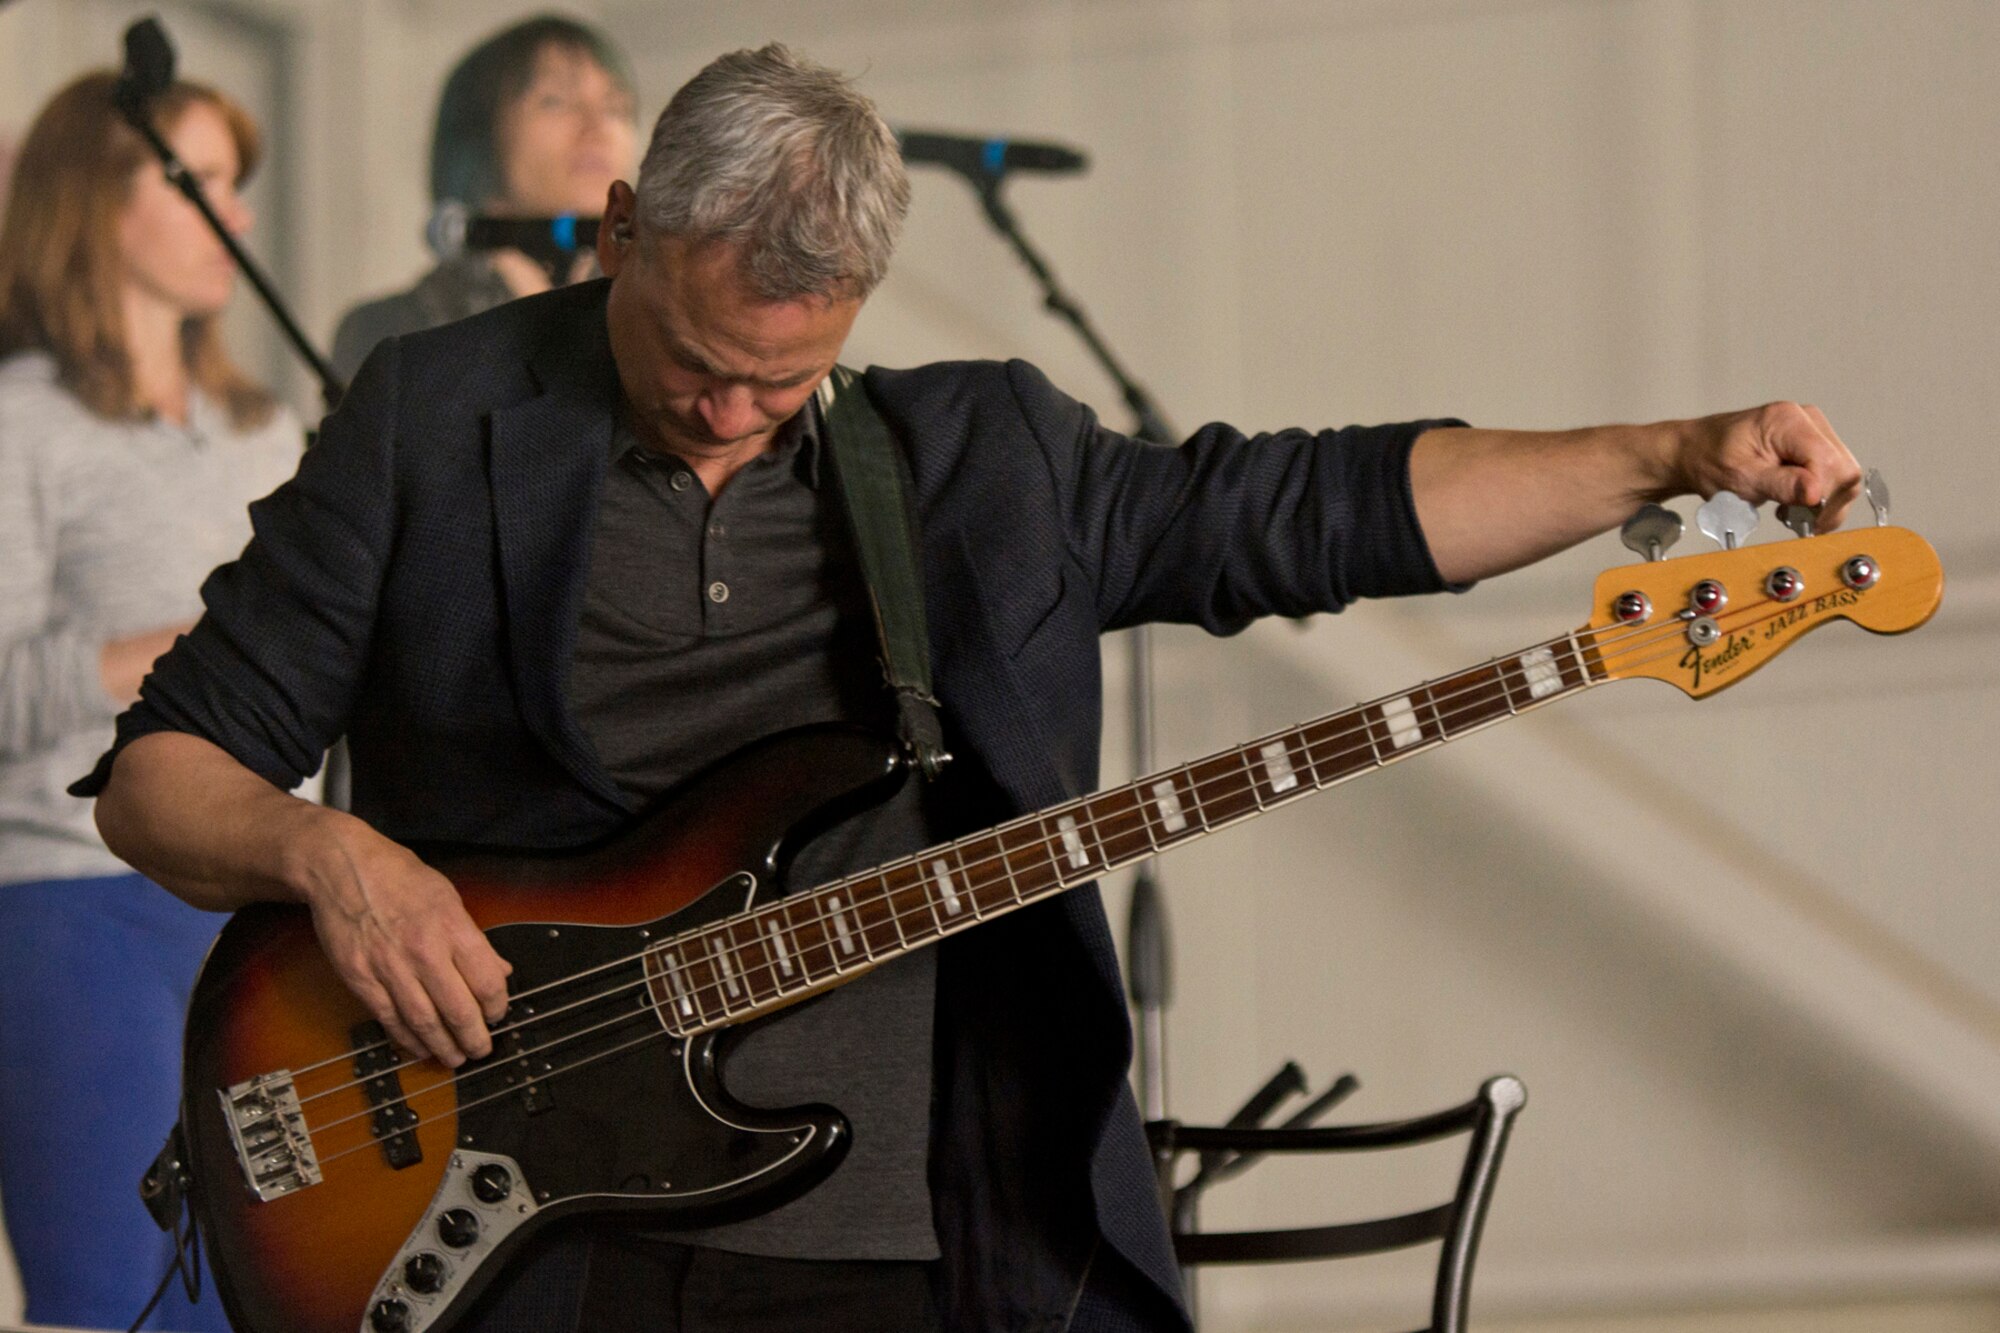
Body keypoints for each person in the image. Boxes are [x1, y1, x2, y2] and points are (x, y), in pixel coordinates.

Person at [82, 44, 1862, 1333]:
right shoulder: (433, 413)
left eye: (786, 382)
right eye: (698, 360)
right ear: (619, 228)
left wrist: (1670, 444)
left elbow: (1309, 507)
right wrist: (334, 856)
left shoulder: (982, 463)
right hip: (508, 1232)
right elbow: (161, 771)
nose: (730, 410)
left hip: (902, 1237)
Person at [0, 71, 302, 1332]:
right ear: (99, 202)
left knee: (265, 1292)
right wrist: (183, 653)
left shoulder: (264, 428)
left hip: (255, 914)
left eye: (238, 181)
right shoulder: (23, 421)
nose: (232, 212)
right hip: (75, 903)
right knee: (122, 1299)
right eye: (198, 180)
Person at [329, 13, 637, 383]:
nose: (598, 125)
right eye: (556, 101)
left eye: (616, 107)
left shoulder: (645, 315)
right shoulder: (391, 332)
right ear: (478, 135)